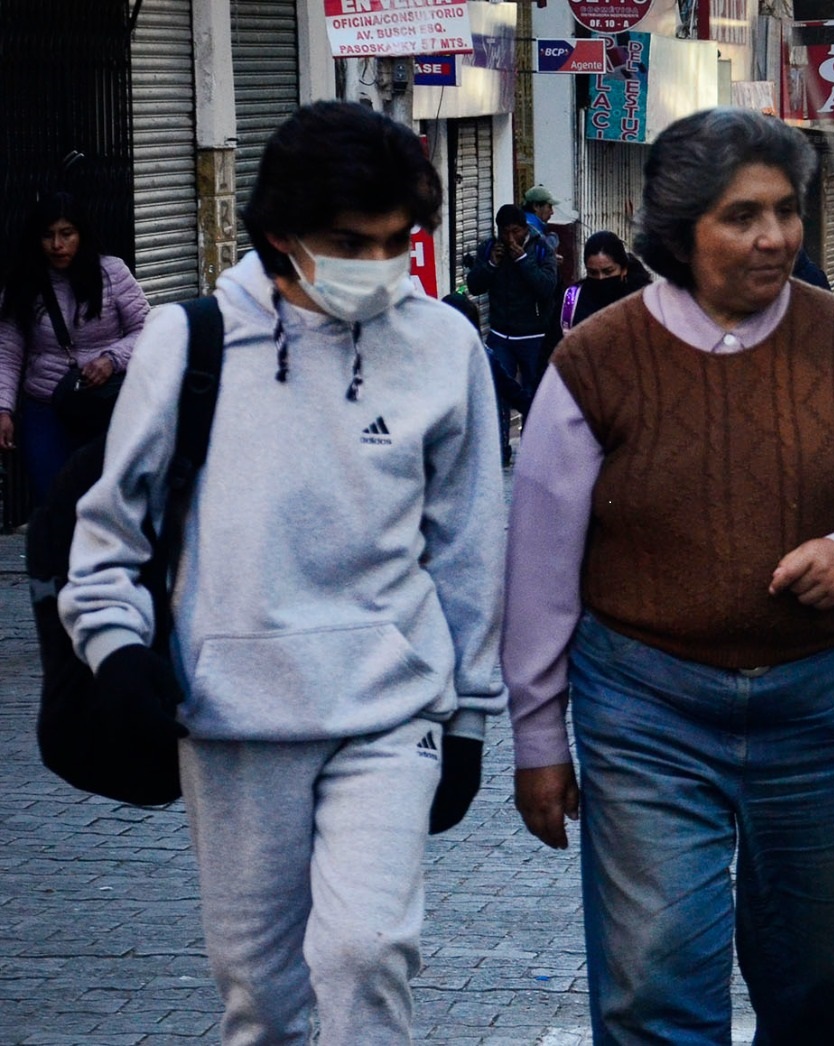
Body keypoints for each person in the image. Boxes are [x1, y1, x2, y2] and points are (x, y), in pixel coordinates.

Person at [503, 107, 834, 1042]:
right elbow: (541, 566)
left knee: (824, 984)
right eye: (742, 216)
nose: (774, 237)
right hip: (647, 706)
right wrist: (536, 737)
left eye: (786, 210)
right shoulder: (596, 361)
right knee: (653, 987)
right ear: (679, 232)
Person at [58, 101, 509, 1044]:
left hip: (391, 708)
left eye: (400, 242)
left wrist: (467, 716)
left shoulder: (444, 346)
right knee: (260, 1000)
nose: (379, 265)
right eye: (350, 241)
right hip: (233, 718)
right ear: (279, 233)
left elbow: (469, 545)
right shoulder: (190, 343)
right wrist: (118, 654)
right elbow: (106, 536)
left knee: (366, 953)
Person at [0, 192, 149, 500]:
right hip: (46, 405)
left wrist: (111, 359)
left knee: (106, 497)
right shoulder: (22, 284)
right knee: (55, 499)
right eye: (48, 236)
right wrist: (3, 409)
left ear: (81, 234)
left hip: (103, 402)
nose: (57, 245)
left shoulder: (112, 273)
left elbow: (146, 329)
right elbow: (8, 353)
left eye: (66, 234)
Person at [466, 203, 558, 414]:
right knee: (497, 395)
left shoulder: (542, 249)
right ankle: (501, 445)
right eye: (505, 232)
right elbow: (474, 286)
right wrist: (491, 264)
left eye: (515, 232)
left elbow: (547, 288)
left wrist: (523, 261)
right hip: (500, 336)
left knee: (534, 397)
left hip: (534, 337)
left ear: (525, 228)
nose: (510, 238)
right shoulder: (490, 248)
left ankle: (532, 444)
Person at [550, 230, 651, 342]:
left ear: (624, 269)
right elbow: (551, 351)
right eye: (593, 272)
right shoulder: (572, 301)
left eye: (608, 271)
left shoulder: (642, 303)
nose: (600, 278)